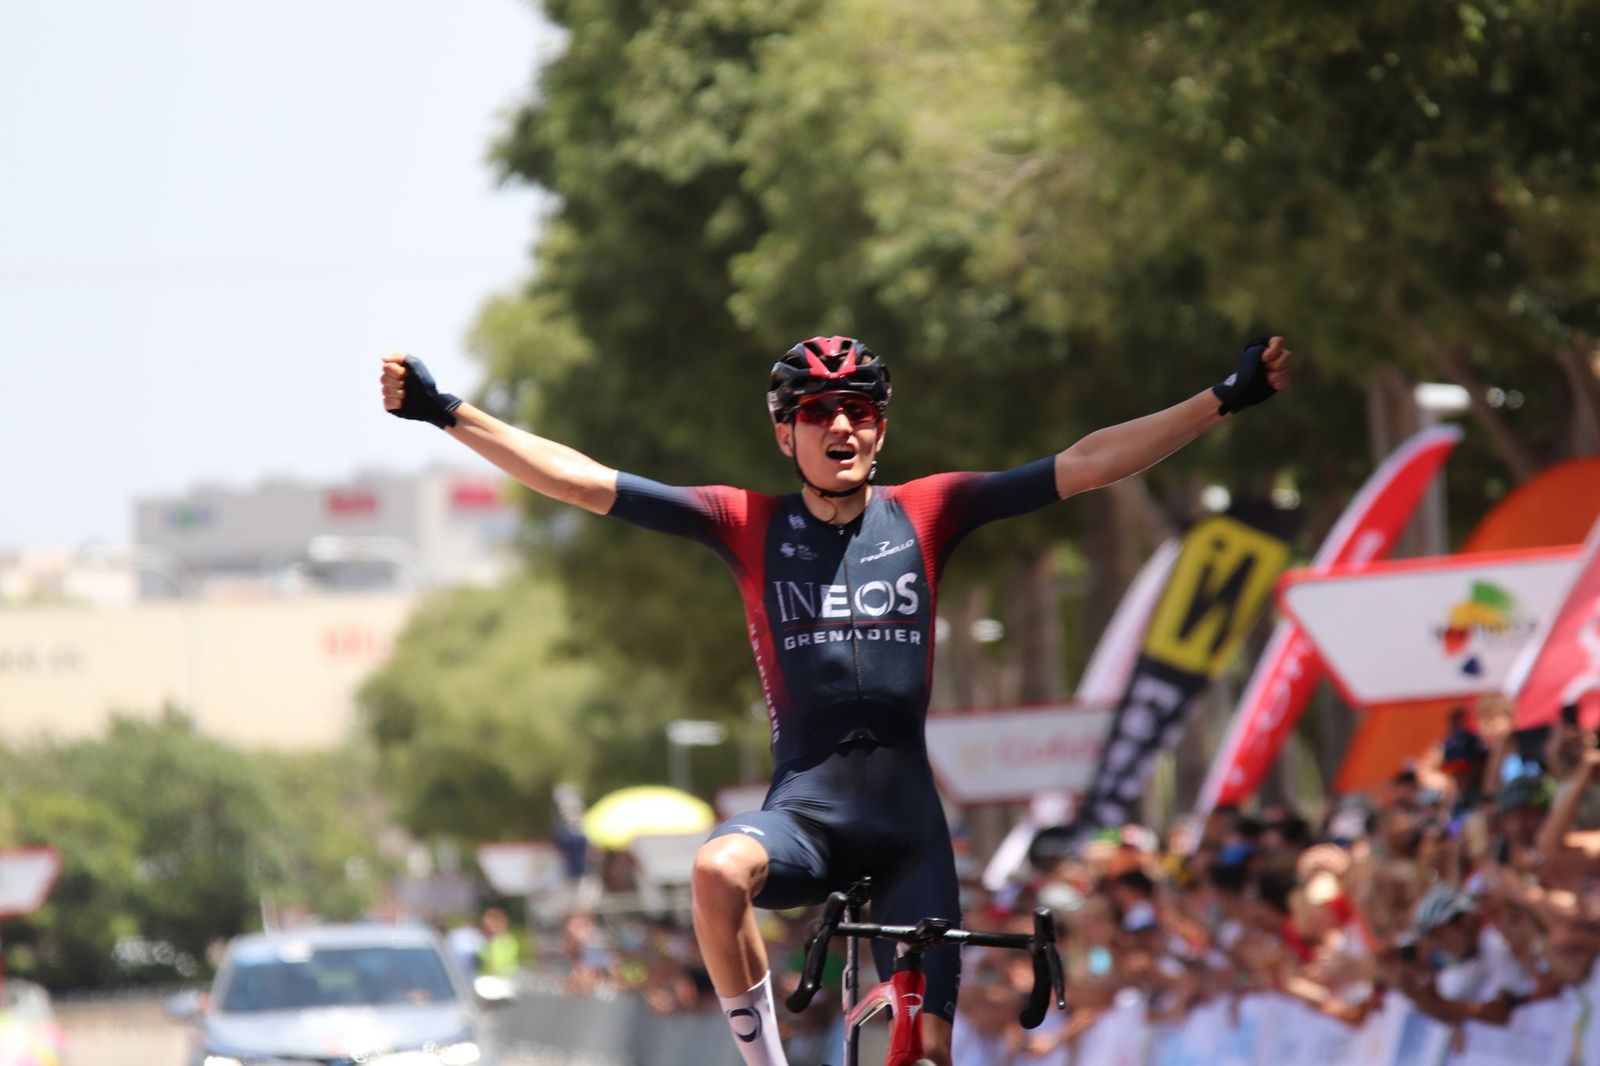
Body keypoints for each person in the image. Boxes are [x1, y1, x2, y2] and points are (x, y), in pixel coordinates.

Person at [380, 333, 1292, 1066]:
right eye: (819, 413)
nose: (841, 427)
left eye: (859, 411)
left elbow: (1090, 462)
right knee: (713, 872)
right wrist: (446, 412)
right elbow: (581, 479)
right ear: (788, 434)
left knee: (927, 1056)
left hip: (907, 829)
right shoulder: (747, 522)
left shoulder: (930, 510)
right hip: (807, 816)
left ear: (881, 430)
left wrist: (1224, 396)